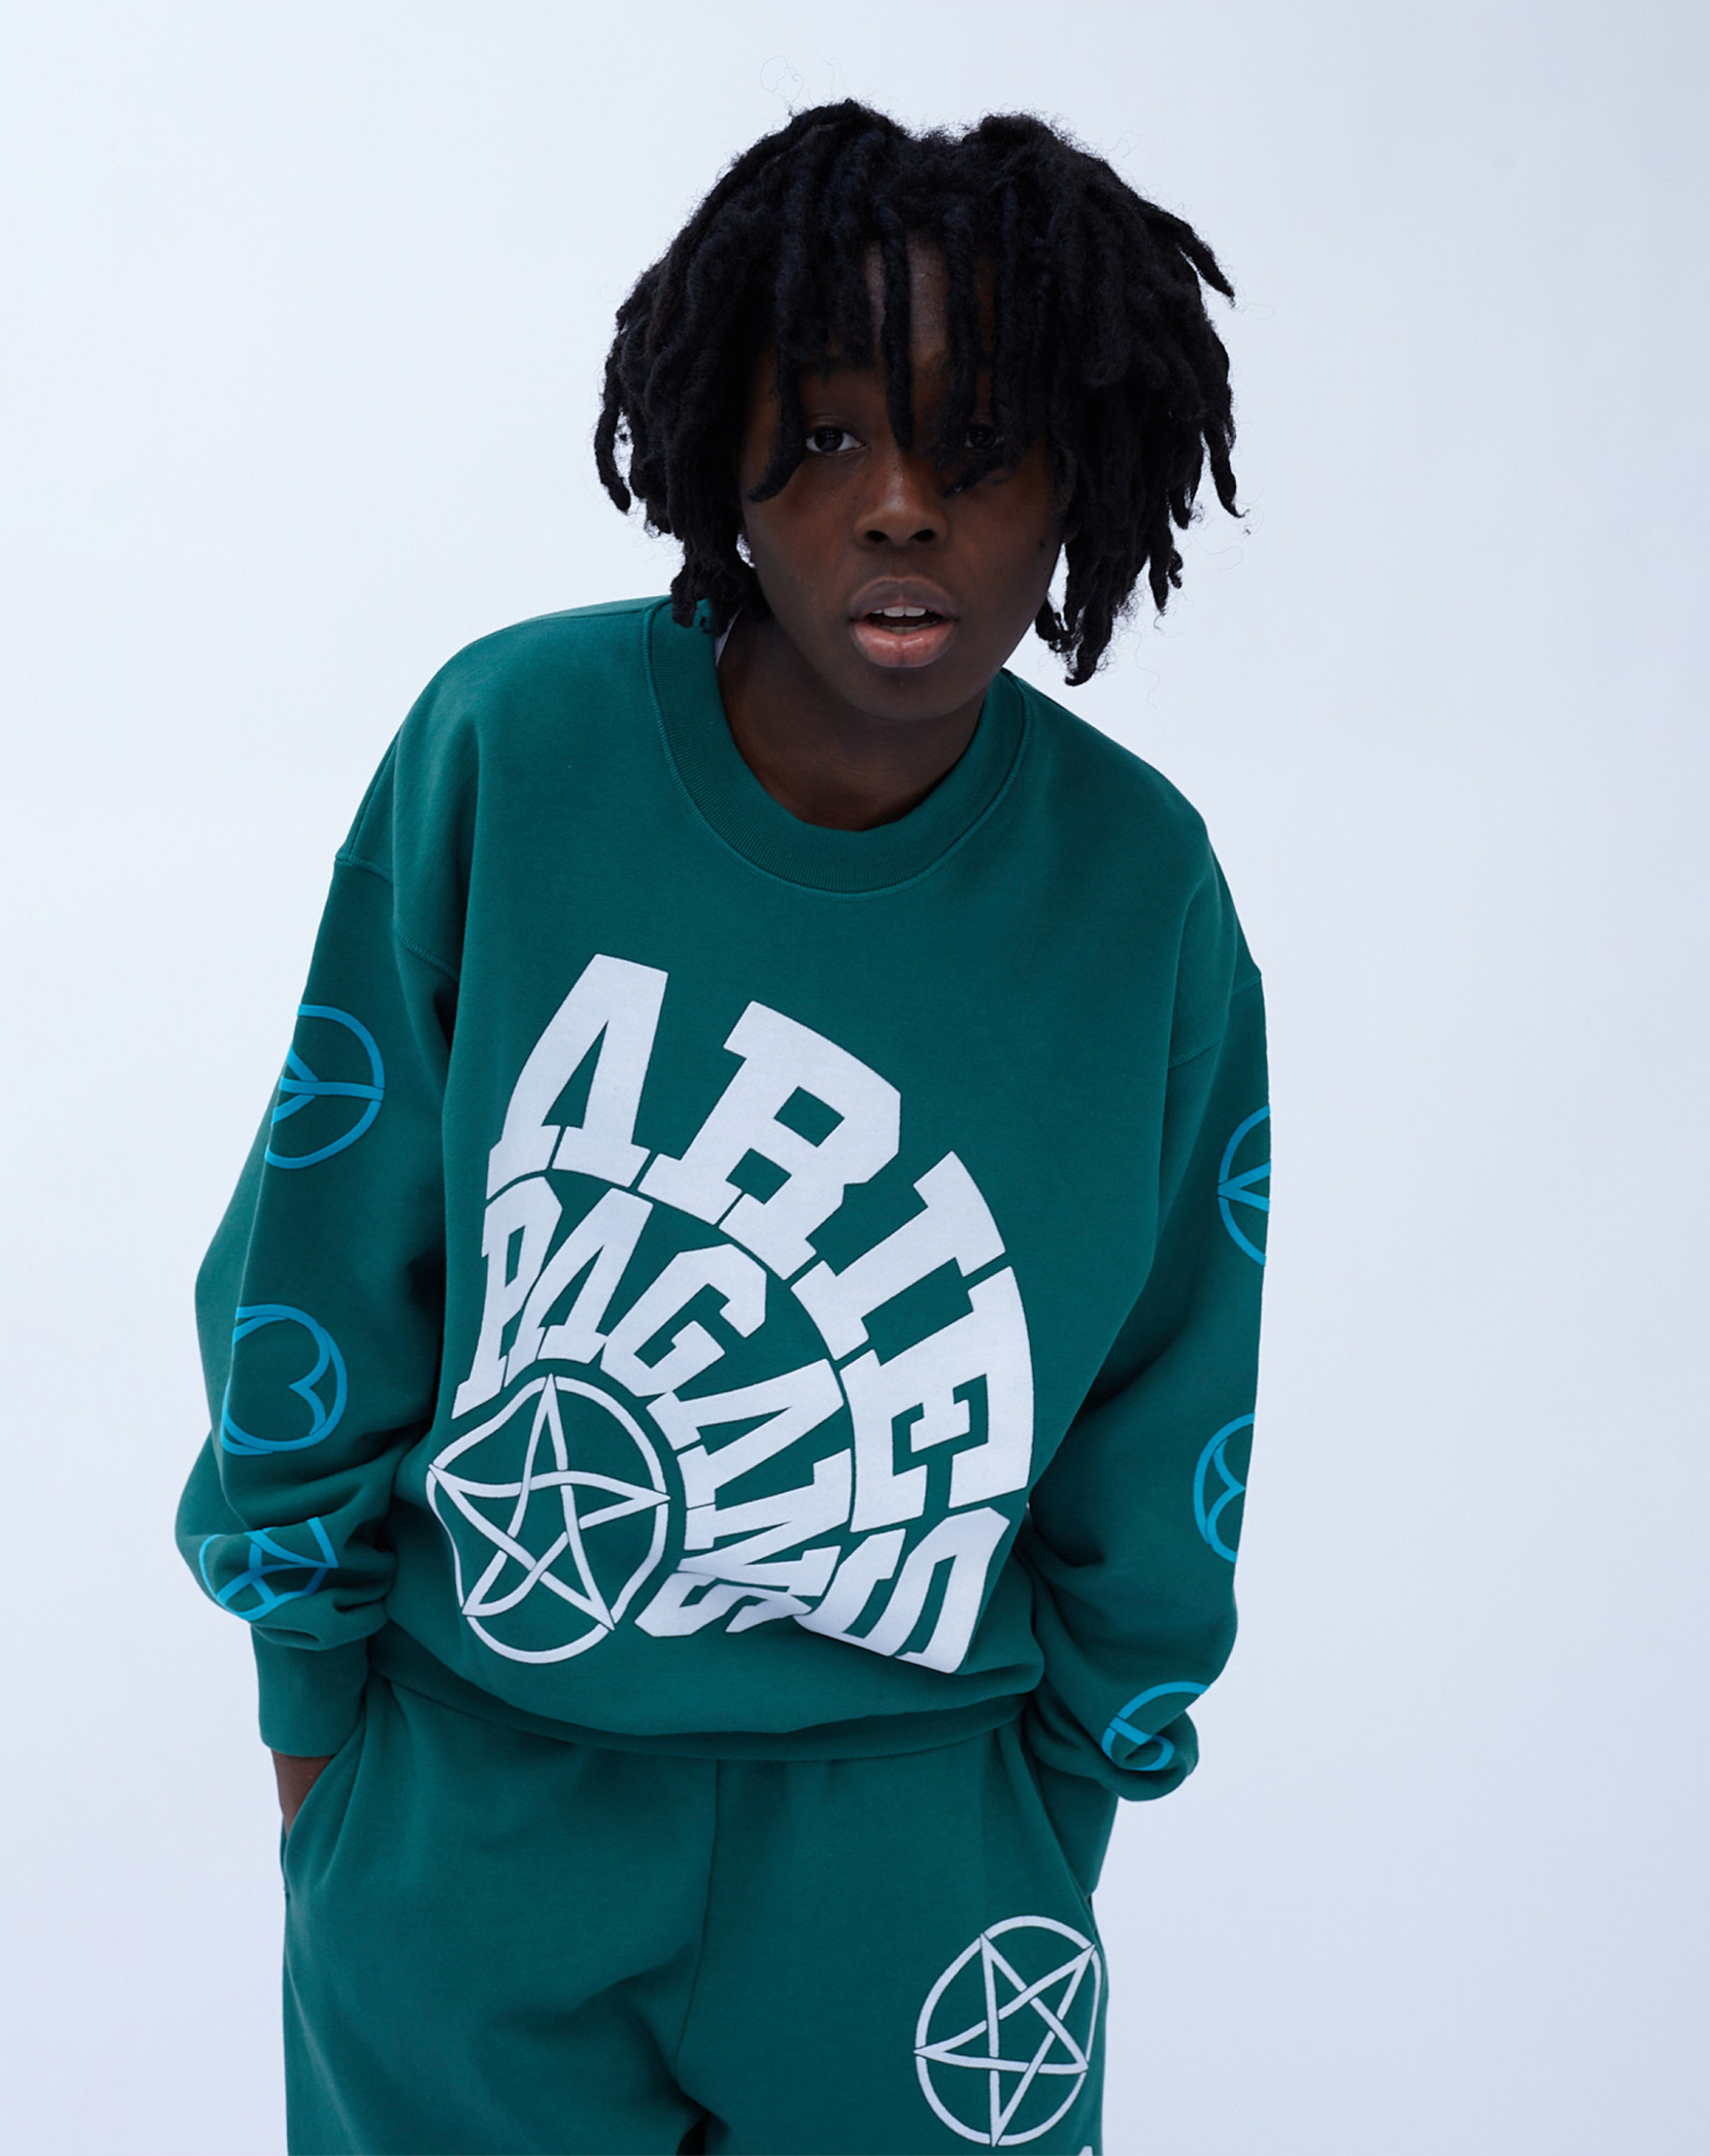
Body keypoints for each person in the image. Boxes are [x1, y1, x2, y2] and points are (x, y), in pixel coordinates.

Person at [176, 99, 1268, 2156]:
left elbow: (1170, 1402)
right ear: (717, 450)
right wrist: (318, 1724)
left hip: (922, 1851)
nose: (898, 507)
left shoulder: (1141, 895)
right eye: (829, 431)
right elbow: (321, 1257)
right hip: (471, 1802)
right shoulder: (510, 750)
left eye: (976, 447)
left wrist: (1057, 1801)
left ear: (1084, 478)